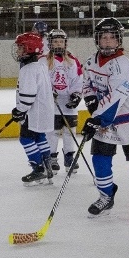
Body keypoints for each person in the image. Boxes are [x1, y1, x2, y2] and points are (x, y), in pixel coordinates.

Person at [81, 17, 129, 215]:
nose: (107, 41)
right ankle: (106, 195)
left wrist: (98, 118)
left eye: (112, 37)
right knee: (100, 156)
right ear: (97, 39)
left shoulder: (123, 65)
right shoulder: (90, 61)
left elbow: (116, 97)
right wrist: (91, 102)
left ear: (119, 40)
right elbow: (86, 84)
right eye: (103, 37)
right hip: (104, 115)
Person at [12, 32, 57, 185]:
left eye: (20, 48)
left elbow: (28, 95)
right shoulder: (41, 66)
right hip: (44, 111)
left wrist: (20, 110)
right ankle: (47, 168)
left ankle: (38, 169)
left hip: (33, 113)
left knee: (25, 139)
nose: (17, 51)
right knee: (39, 137)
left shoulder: (28, 69)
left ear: (29, 49)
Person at [47, 28, 84, 175]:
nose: (58, 44)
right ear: (50, 43)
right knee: (53, 132)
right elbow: (42, 80)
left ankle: (69, 158)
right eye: (55, 41)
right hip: (52, 104)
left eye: (61, 41)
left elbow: (78, 79)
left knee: (70, 132)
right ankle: (51, 158)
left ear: (65, 43)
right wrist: (48, 92)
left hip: (68, 103)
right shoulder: (44, 61)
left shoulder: (73, 61)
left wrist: (76, 95)